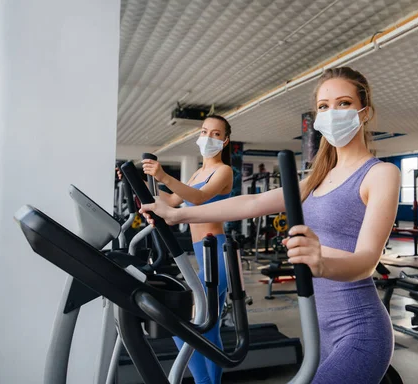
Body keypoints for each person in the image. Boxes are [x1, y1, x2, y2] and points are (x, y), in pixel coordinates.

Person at [140, 67, 400, 383]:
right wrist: (177, 215)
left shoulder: (380, 174)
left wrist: (321, 261)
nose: (331, 113)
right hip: (320, 333)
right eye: (323, 106)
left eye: (343, 103)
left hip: (361, 331)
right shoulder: (315, 180)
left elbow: (366, 261)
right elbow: (249, 204)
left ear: (365, 111)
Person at [123, 115, 233, 384]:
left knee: (182, 322)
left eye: (216, 134)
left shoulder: (224, 171)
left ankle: (205, 382)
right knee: (211, 326)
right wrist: (136, 180)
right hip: (202, 253)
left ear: (225, 140)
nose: (209, 137)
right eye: (205, 131)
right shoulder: (196, 173)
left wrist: (163, 175)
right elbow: (172, 199)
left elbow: (199, 197)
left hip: (217, 251)